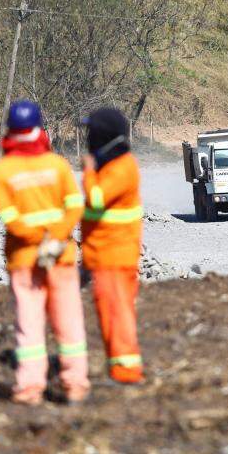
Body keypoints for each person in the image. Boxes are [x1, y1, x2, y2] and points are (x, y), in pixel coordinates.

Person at [0, 100, 89, 405]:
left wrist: (37, 239)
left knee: (29, 324)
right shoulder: (57, 165)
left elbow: (9, 217)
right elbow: (74, 206)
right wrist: (55, 237)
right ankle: (74, 384)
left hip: (24, 259)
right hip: (60, 256)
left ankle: (30, 388)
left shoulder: (2, 170)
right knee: (69, 320)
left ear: (9, 130)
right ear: (39, 129)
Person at [79, 108, 145, 384]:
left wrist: (88, 171)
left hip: (115, 257)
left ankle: (126, 372)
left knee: (117, 313)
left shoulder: (122, 167)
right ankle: (117, 368)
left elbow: (96, 198)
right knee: (109, 313)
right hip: (103, 255)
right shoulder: (112, 165)